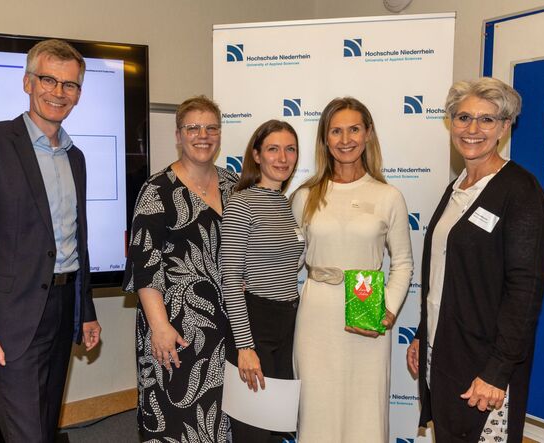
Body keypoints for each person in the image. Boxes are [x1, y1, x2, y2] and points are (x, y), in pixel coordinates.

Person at [0, 39, 101, 443]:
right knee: (27, 434)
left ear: (79, 94)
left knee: (44, 428)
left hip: (62, 308)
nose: (58, 92)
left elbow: (75, 240)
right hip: (12, 318)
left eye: (70, 85)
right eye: (48, 80)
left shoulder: (76, 157)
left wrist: (84, 311)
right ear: (27, 82)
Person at [406, 77, 544, 443]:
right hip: (444, 350)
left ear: (504, 127)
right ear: (451, 123)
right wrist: (423, 333)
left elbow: (525, 291)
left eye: (487, 119)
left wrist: (497, 371)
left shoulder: (520, 190)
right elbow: (443, 274)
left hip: (485, 364)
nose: (472, 129)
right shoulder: (456, 188)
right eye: (463, 117)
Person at [291, 97, 413, 442]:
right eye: (336, 131)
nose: (345, 140)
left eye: (354, 129)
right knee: (316, 409)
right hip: (316, 313)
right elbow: (289, 261)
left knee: (365, 411)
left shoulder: (388, 195)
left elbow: (403, 262)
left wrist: (388, 308)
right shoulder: (305, 195)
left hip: (365, 303)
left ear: (368, 133)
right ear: (325, 138)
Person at [122, 96, 238, 442]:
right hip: (174, 326)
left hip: (225, 326)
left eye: (211, 128)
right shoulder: (157, 190)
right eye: (193, 128)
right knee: (175, 416)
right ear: (178, 135)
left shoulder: (234, 185)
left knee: (220, 417)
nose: (203, 135)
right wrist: (159, 327)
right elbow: (145, 266)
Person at [220, 120, 303, 442]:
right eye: (273, 149)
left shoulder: (286, 203)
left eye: (290, 149)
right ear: (256, 155)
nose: (282, 157)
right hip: (256, 324)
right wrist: (245, 346)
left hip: (287, 324)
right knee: (253, 431)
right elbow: (231, 277)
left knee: (275, 430)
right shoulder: (242, 202)